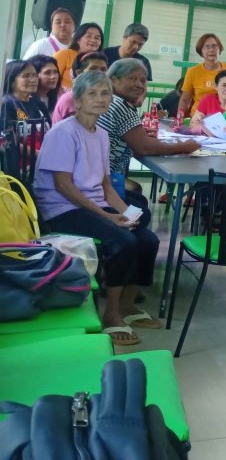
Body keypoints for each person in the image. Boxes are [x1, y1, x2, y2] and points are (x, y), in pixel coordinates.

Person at [34, 71, 161, 346]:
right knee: (123, 241)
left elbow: (104, 183)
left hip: (91, 202)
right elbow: (64, 186)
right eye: (92, 94)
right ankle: (111, 315)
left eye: (105, 93)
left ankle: (128, 305)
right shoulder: (63, 133)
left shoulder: (101, 134)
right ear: (77, 101)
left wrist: (125, 212)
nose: (100, 99)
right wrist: (106, 216)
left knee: (147, 239)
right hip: (62, 208)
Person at [97, 59, 201, 203]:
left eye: (143, 81)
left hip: (99, 173)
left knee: (137, 195)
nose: (139, 85)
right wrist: (184, 146)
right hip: (105, 178)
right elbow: (144, 147)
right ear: (113, 80)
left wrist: (141, 135)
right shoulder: (121, 106)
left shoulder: (110, 101)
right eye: (132, 79)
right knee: (140, 202)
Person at [178, 33, 226, 116]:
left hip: (225, 117)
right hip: (198, 117)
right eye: (207, 47)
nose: (211, 50)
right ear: (201, 51)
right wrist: (179, 118)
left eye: (214, 46)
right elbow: (185, 99)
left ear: (219, 49)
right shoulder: (192, 71)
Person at [52, 52, 109, 123]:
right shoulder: (71, 99)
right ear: (79, 73)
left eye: (103, 70)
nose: (99, 73)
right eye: (93, 68)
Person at [54, 22, 104, 90]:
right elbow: (51, 79)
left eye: (97, 38)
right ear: (78, 39)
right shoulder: (64, 55)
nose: (93, 40)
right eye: (88, 36)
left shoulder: (101, 61)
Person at [2, 60, 51, 129]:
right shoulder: (6, 105)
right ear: (11, 79)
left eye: (35, 75)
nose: (33, 80)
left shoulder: (38, 103)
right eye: (26, 76)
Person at [189, 69, 226, 133]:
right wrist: (197, 122)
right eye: (224, 85)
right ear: (216, 86)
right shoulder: (208, 100)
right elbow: (193, 124)